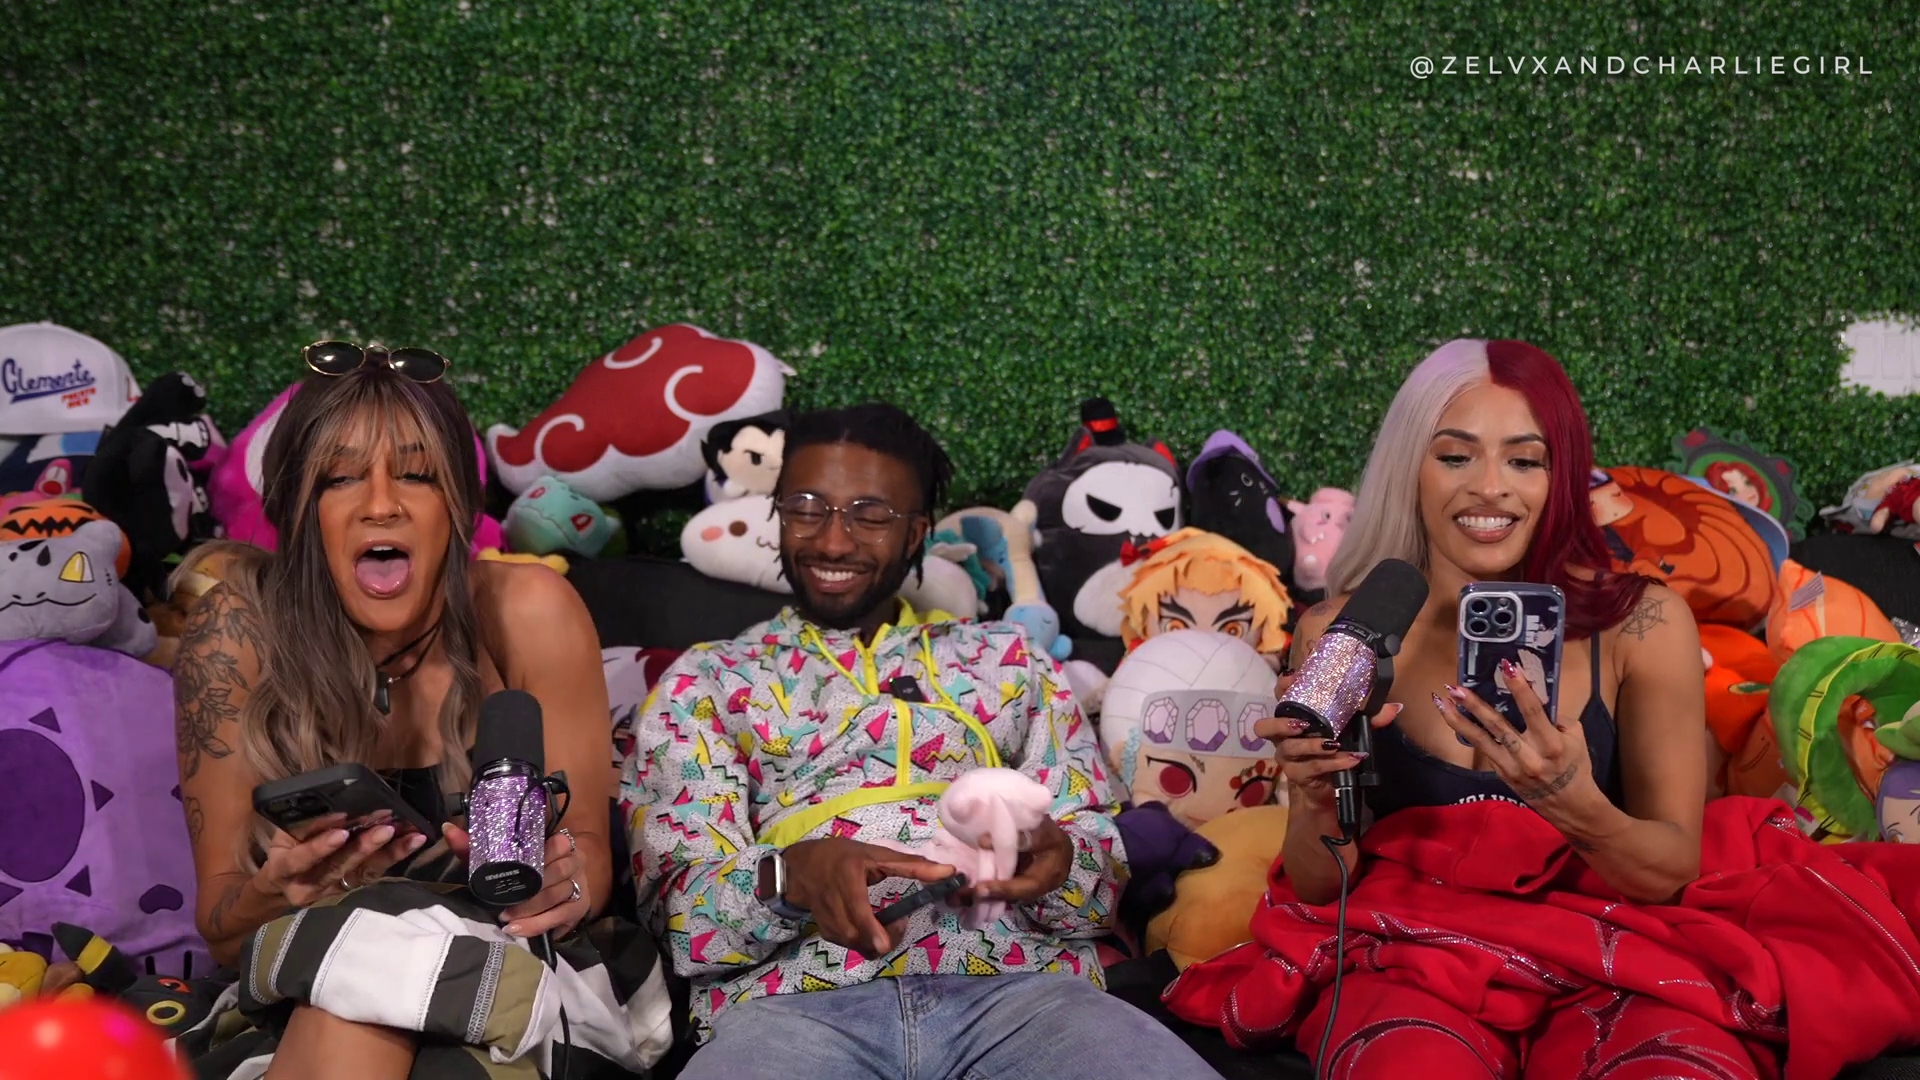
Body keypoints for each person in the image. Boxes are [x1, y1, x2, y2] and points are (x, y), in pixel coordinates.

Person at [619, 403, 1224, 1080]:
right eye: (807, 507)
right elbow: (678, 921)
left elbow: (1101, 881)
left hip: (1024, 994)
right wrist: (788, 878)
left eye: (871, 514)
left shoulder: (1010, 659)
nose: (833, 542)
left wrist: (1060, 860)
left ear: (916, 533)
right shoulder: (707, 679)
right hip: (790, 1009)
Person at [1256, 339, 1727, 1077]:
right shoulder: (1338, 633)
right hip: (1411, 959)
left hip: (1608, 956)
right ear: (1410, 468)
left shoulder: (1645, 624)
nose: (1489, 488)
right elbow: (1320, 887)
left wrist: (1573, 804)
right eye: (1455, 456)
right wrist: (1315, 799)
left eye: (1525, 461)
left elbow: (1671, 872)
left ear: (1560, 476)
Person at [171, 343, 615, 1080]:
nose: (382, 504)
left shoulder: (529, 611)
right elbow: (221, 929)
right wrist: (274, 892)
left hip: (515, 980)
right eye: (341, 478)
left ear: (458, 508)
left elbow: (590, 859)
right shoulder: (236, 632)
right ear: (299, 512)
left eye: (417, 475)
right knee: (357, 966)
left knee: (372, 974)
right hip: (308, 988)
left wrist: (559, 881)